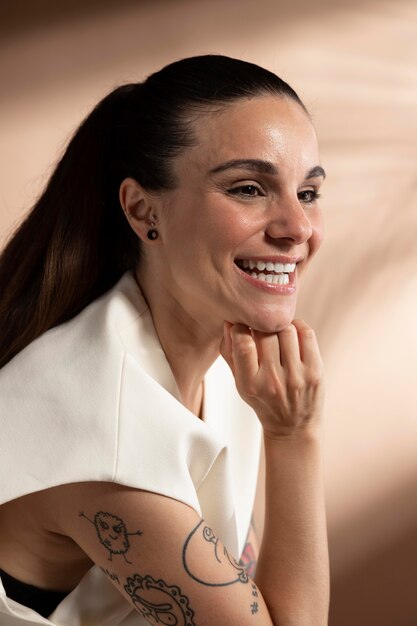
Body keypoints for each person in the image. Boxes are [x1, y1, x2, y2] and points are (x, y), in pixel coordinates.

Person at [0, 55, 329, 625]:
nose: (297, 228)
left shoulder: (223, 355)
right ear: (141, 208)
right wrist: (294, 435)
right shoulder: (106, 423)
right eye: (250, 188)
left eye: (306, 192)